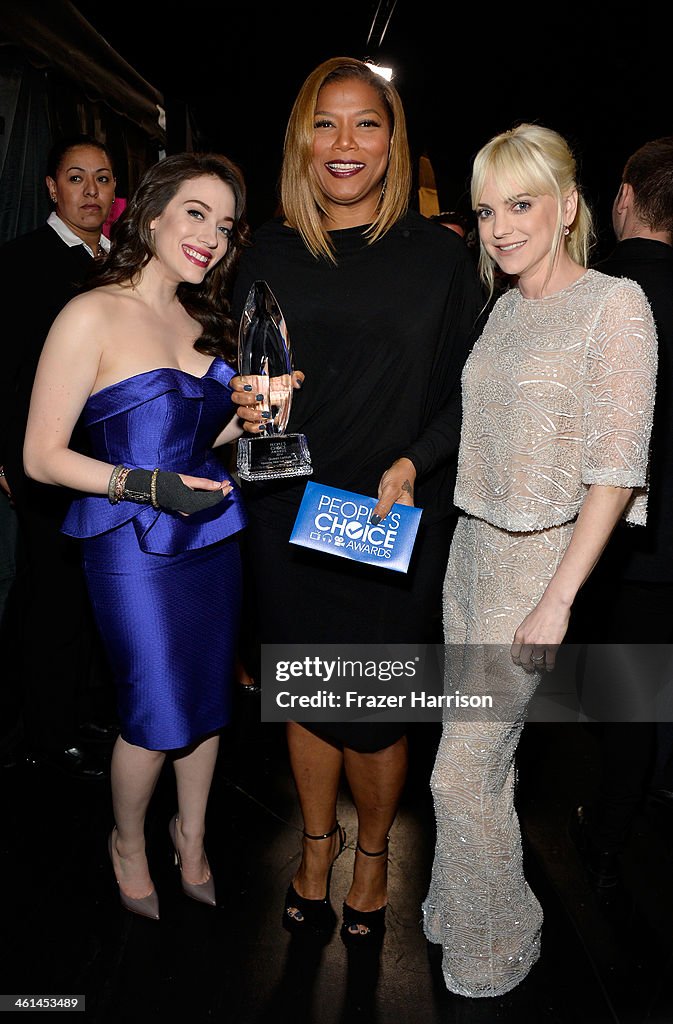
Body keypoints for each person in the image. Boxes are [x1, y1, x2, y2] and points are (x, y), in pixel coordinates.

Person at [230, 56, 483, 946]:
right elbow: (247, 378)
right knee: (306, 692)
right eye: (325, 124)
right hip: (286, 504)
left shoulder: (440, 256)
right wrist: (242, 400)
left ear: (392, 139)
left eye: (365, 123)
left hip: (385, 510)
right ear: (302, 138)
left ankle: (372, 854)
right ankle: (314, 843)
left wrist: (417, 460)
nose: (345, 144)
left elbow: (469, 388)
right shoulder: (264, 249)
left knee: (373, 712)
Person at [421, 123, 657, 997]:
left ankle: (500, 936)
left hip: (536, 566)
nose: (499, 226)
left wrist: (558, 598)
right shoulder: (506, 306)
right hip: (470, 552)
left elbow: (614, 470)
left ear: (566, 206)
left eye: (519, 205)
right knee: (478, 754)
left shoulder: (614, 304)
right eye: (486, 210)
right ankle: (455, 901)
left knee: (457, 776)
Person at [23, 151, 252, 919]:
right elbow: (41, 456)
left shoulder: (206, 320)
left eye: (223, 225)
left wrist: (251, 419)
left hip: (212, 535)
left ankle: (192, 837)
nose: (211, 237)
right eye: (196, 213)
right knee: (154, 709)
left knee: (208, 699)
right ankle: (127, 841)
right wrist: (145, 485)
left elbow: (201, 439)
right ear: (151, 213)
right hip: (129, 543)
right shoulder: (89, 312)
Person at [568, 137, 673, 887]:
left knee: (628, 693)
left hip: (620, 544)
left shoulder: (589, 293)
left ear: (624, 199)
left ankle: (605, 837)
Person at [0, 134, 119, 778]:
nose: (91, 191)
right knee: (53, 599)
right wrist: (6, 460)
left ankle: (75, 712)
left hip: (102, 462)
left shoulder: (116, 261)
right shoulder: (23, 261)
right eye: (77, 178)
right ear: (51, 187)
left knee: (87, 595)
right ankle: (47, 737)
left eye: (102, 179)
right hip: (43, 461)